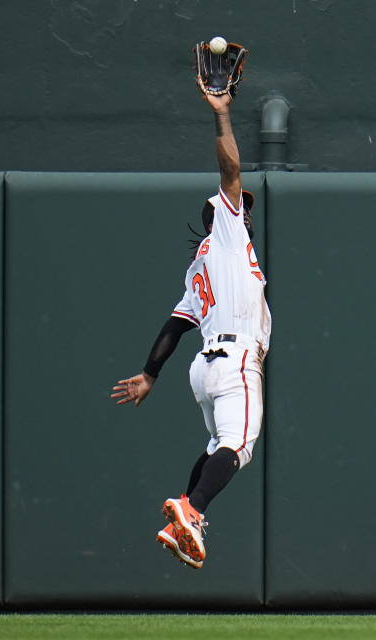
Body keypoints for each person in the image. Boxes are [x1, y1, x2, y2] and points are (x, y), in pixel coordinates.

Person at [110, 90, 271, 569]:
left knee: (217, 448)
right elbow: (230, 171)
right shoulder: (227, 231)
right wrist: (222, 115)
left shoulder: (200, 270)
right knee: (238, 447)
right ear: (222, 215)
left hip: (204, 369)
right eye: (242, 205)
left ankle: (186, 512)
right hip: (235, 362)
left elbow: (175, 326)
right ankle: (192, 509)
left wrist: (149, 373)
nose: (246, 208)